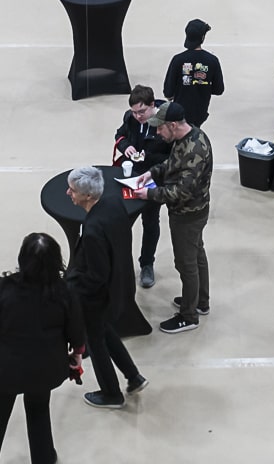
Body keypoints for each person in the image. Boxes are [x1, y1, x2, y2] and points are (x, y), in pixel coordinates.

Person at [0, 232, 85, 464]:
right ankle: (44, 458)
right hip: (45, 368)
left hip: (5, 369)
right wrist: (77, 355)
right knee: (39, 412)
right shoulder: (64, 291)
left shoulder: (6, 286)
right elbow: (76, 329)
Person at [63, 167, 148, 410]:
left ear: (88, 196)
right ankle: (133, 376)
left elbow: (96, 276)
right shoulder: (113, 203)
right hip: (120, 284)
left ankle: (111, 393)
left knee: (96, 342)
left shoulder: (92, 232)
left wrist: (73, 291)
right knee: (106, 332)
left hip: (98, 297)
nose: (69, 193)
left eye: (74, 190)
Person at [140, 101, 212, 334]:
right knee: (197, 255)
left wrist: (149, 194)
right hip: (191, 211)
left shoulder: (195, 150)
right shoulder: (187, 137)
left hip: (187, 214)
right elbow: (172, 164)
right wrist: (152, 172)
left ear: (172, 125)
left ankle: (189, 315)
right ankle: (200, 301)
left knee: (186, 263)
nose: (158, 133)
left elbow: (181, 191)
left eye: (160, 128)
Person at [113, 86, 168, 292]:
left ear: (152, 105)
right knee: (122, 220)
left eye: (141, 111)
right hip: (132, 177)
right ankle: (120, 263)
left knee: (150, 222)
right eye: (134, 112)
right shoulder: (130, 118)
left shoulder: (165, 122)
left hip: (154, 179)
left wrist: (150, 158)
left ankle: (147, 264)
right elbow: (119, 135)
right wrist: (125, 145)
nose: (138, 116)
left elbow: (172, 155)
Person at [162, 19, 223, 128]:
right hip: (200, 113)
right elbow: (219, 89)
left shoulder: (178, 60)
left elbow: (168, 92)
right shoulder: (212, 61)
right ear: (202, 38)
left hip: (180, 113)